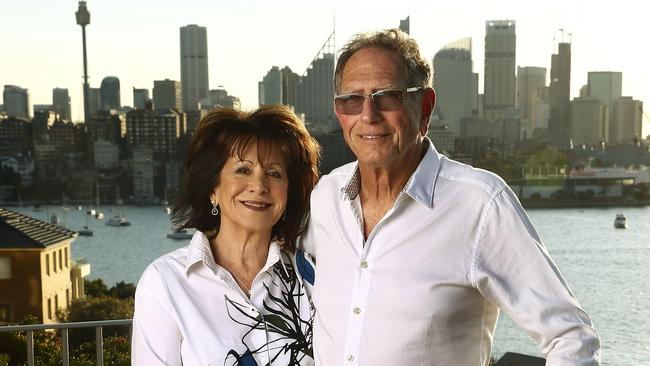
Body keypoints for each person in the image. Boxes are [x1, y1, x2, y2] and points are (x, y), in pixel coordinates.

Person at [301, 29, 601, 365]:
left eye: (388, 97)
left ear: (425, 107)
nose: (368, 115)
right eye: (352, 99)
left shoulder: (479, 205)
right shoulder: (326, 196)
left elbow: (571, 337)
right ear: (339, 111)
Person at [132, 105, 320, 365]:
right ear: (213, 188)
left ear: (288, 193)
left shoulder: (310, 277)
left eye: (274, 173)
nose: (259, 186)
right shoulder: (165, 281)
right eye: (243, 170)